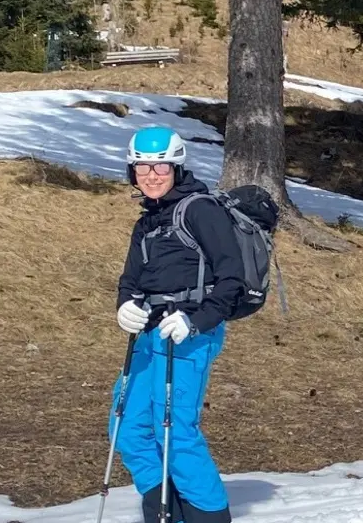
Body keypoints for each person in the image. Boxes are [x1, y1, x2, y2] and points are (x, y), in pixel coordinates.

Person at [112, 126, 246, 523]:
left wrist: (197, 320)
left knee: (176, 430)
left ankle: (209, 515)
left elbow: (232, 279)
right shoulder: (147, 221)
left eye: (161, 168)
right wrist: (124, 307)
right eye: (142, 168)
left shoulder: (200, 210)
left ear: (177, 167)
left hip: (190, 335)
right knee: (127, 426)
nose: (152, 175)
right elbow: (130, 280)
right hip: (149, 334)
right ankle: (165, 510)